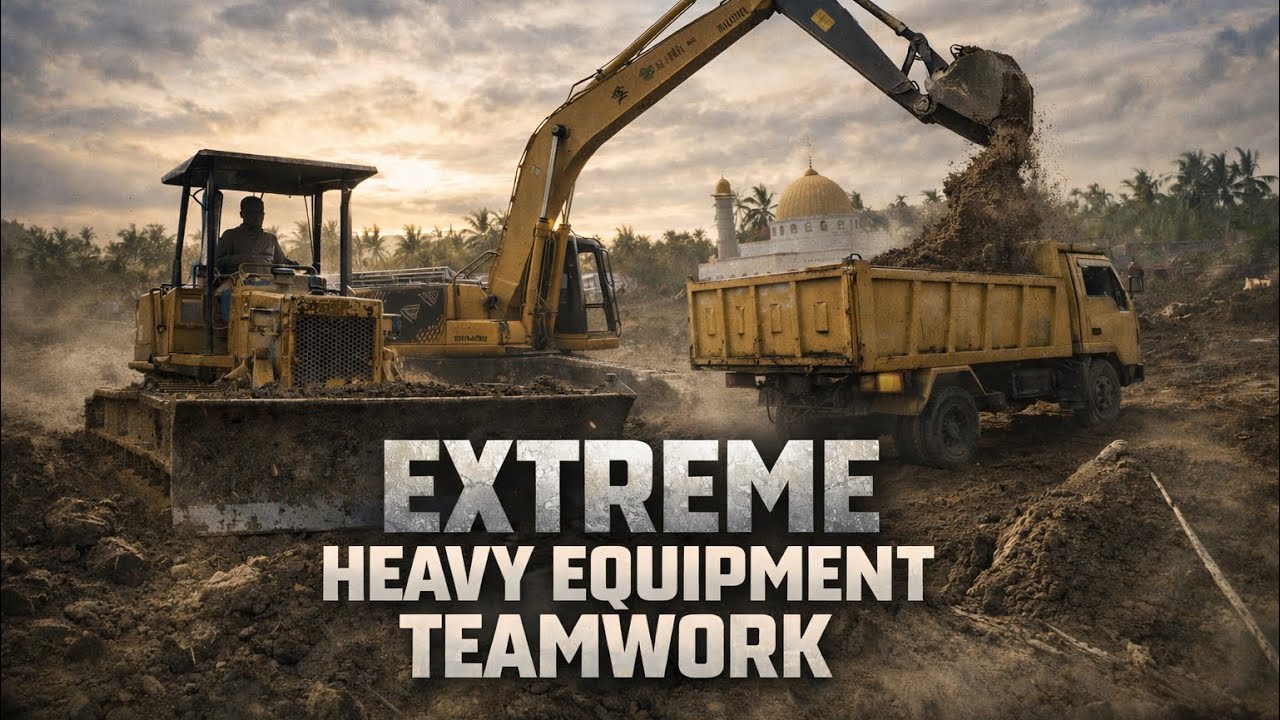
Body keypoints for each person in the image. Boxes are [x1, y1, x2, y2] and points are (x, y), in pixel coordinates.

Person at [214, 196, 296, 273]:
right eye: (251, 213)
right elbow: (217, 264)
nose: (256, 217)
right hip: (235, 285)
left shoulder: (271, 240)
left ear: (263, 215)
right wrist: (245, 259)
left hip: (267, 286)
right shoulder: (230, 236)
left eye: (259, 212)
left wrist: (297, 266)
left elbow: (282, 262)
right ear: (242, 214)